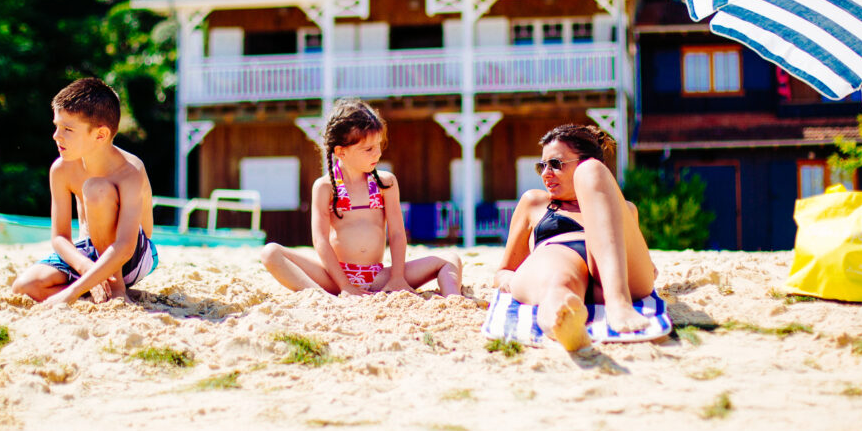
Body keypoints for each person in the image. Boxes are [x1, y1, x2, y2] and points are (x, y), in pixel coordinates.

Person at [261, 98, 462, 296]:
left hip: (379, 278)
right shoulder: (325, 187)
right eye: (368, 149)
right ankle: (321, 297)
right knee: (271, 252)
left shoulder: (385, 183)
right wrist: (344, 285)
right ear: (341, 152)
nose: (377, 153)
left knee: (451, 259)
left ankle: (454, 299)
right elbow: (320, 240)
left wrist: (397, 277)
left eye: (378, 145)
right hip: (335, 278)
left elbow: (397, 234)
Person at [493, 124, 658, 350]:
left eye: (555, 164)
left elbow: (642, 262)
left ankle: (618, 302)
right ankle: (563, 322)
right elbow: (505, 269)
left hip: (616, 277)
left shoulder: (625, 209)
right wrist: (507, 280)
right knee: (559, 282)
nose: (545, 173)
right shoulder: (535, 202)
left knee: (593, 169)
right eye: (541, 166)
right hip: (560, 257)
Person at [11, 78, 157, 305]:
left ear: (100, 135)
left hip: (132, 256)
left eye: (68, 129)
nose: (56, 136)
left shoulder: (130, 171)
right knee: (24, 287)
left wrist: (70, 293)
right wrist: (86, 268)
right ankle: (95, 290)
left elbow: (126, 246)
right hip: (89, 252)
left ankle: (116, 289)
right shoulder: (61, 169)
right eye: (57, 126)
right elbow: (60, 238)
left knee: (95, 189)